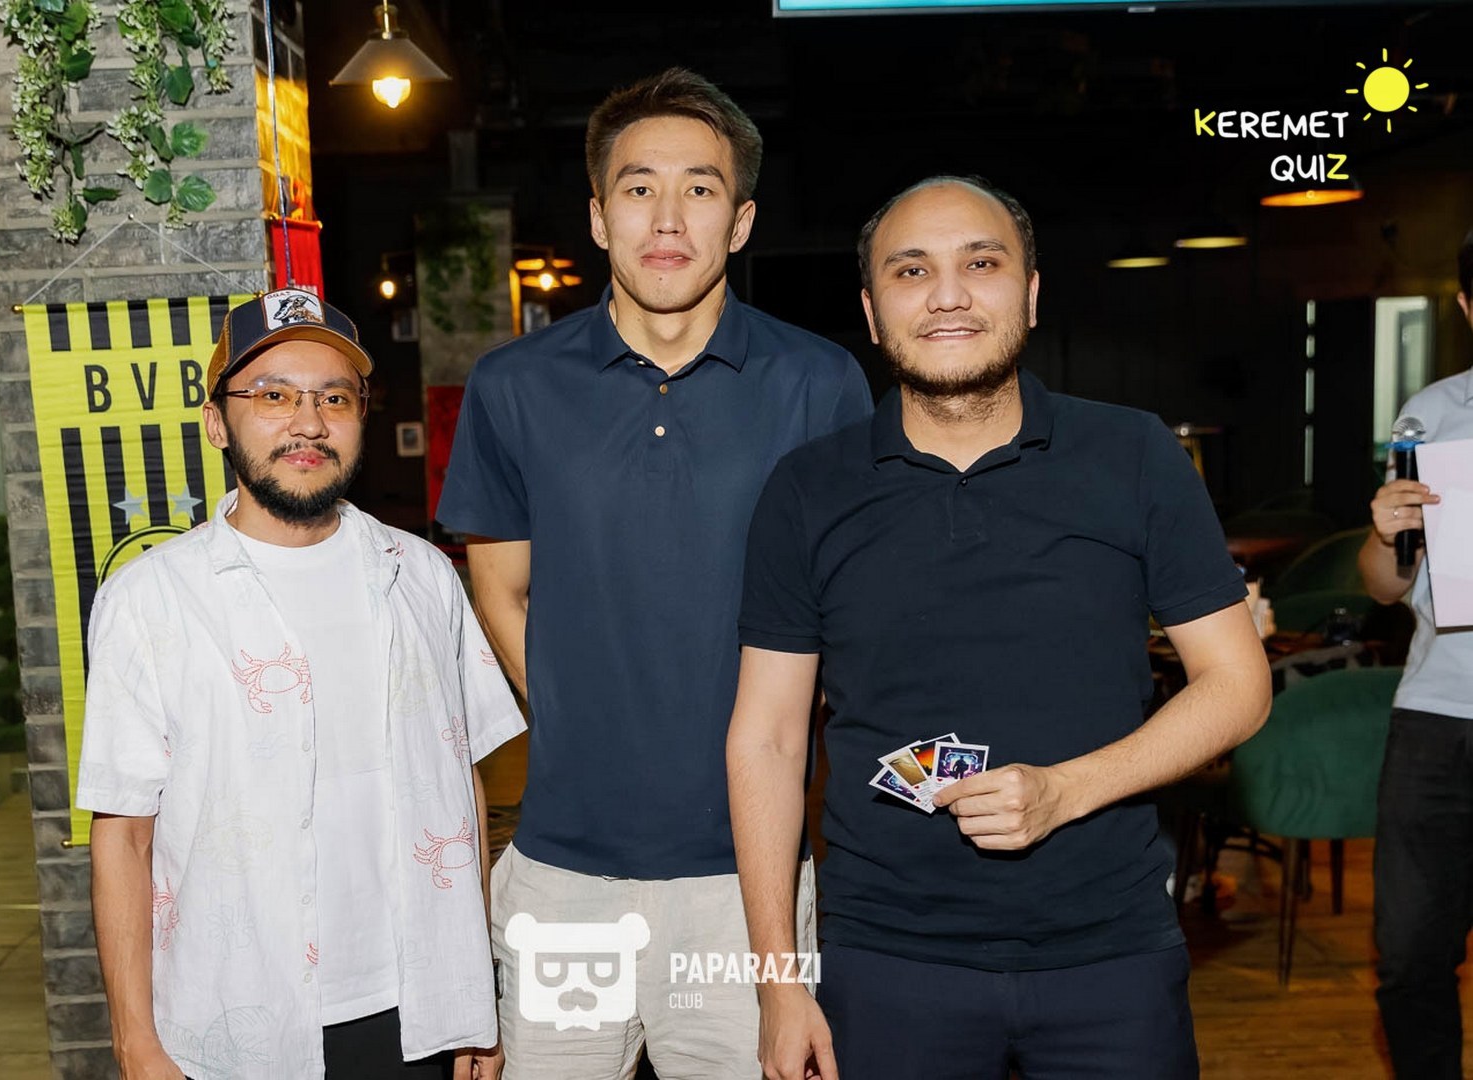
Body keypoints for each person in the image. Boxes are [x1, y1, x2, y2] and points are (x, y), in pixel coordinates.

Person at [727, 176, 1272, 1080]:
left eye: (980, 263)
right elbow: (767, 741)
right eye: (911, 271)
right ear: (870, 312)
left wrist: (1065, 790)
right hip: (886, 958)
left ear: (1029, 292)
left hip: (1112, 952)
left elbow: (1238, 685)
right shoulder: (806, 489)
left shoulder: (1133, 454)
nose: (947, 295)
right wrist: (778, 985)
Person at [436, 69, 873, 1079]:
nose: (666, 218)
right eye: (638, 188)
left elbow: (851, 610)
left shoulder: (818, 382)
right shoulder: (513, 385)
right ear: (598, 216)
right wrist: (576, 720)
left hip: (747, 887)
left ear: (741, 220)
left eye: (699, 189)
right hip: (563, 881)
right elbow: (500, 588)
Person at [78, 288, 522, 1080]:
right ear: (217, 422)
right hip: (233, 1016)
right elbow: (124, 833)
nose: (308, 423)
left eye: (333, 397)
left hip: (414, 1009)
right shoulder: (150, 600)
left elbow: (463, 791)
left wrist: (473, 998)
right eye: (273, 396)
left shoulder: (421, 576)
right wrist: (134, 1039)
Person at [1365, 227, 1473, 1080]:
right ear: (1468, 306)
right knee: (1407, 955)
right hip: (1436, 717)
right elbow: (1383, 586)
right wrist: (1381, 533)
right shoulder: (1430, 414)